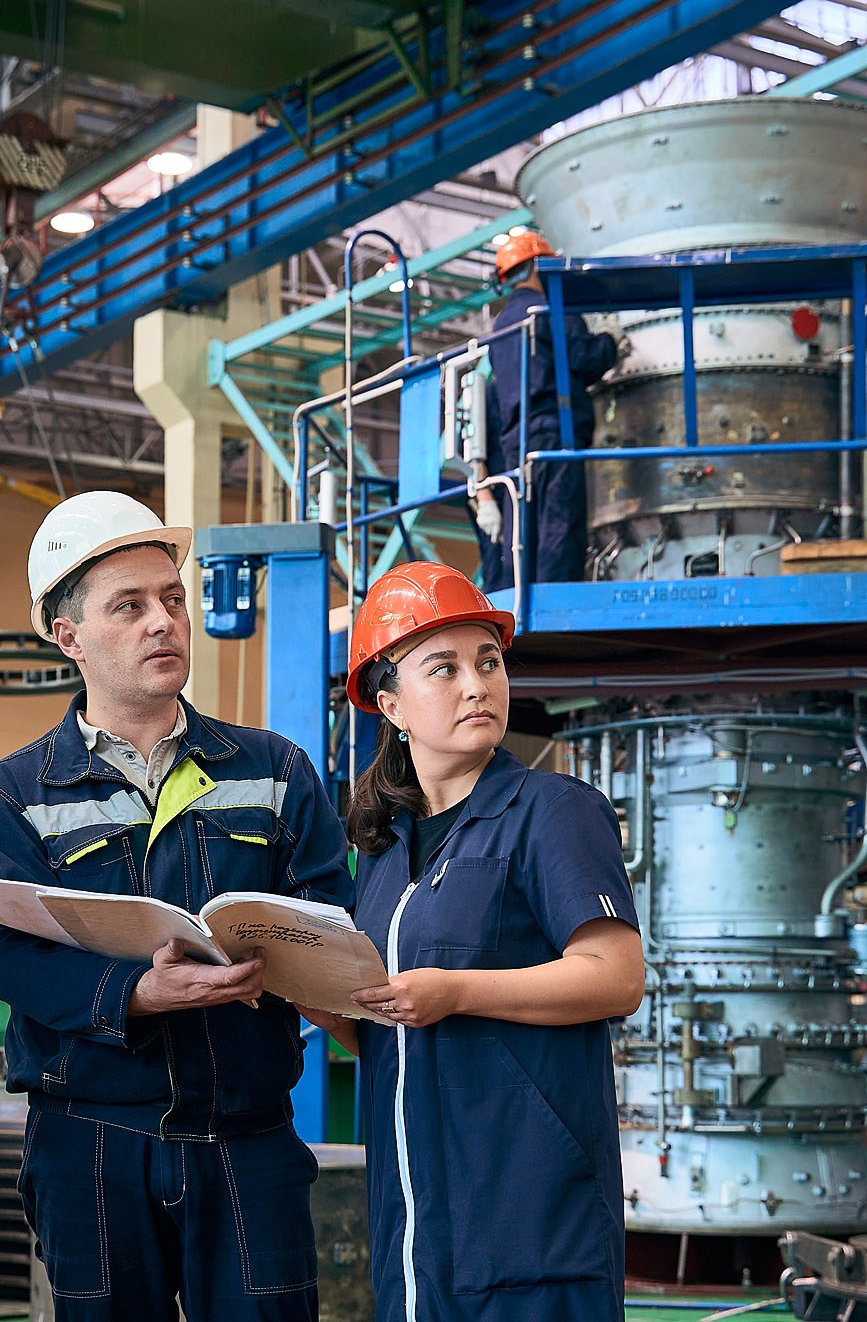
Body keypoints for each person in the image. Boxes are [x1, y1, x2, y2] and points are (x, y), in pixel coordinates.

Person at [0, 490, 353, 1322]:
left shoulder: (275, 770)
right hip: (90, 1142)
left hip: (247, 1135)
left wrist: (293, 964)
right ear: (69, 635)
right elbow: (11, 954)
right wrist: (133, 993)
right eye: (128, 606)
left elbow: (330, 917)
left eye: (172, 598)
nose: (163, 621)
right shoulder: (10, 798)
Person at [301, 560, 646, 1322]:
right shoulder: (383, 850)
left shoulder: (552, 810)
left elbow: (616, 976)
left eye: (489, 662)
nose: (477, 685)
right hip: (417, 1210)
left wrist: (454, 990)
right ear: (389, 703)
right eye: (445, 668)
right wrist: (319, 997)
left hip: (528, 1204)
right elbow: (400, 1031)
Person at [472, 230, 622, 590]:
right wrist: (610, 340)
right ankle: (557, 601)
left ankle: (521, 603)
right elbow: (585, 357)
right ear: (538, 266)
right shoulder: (547, 311)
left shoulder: (501, 325)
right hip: (555, 434)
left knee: (523, 531)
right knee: (560, 524)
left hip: (516, 442)